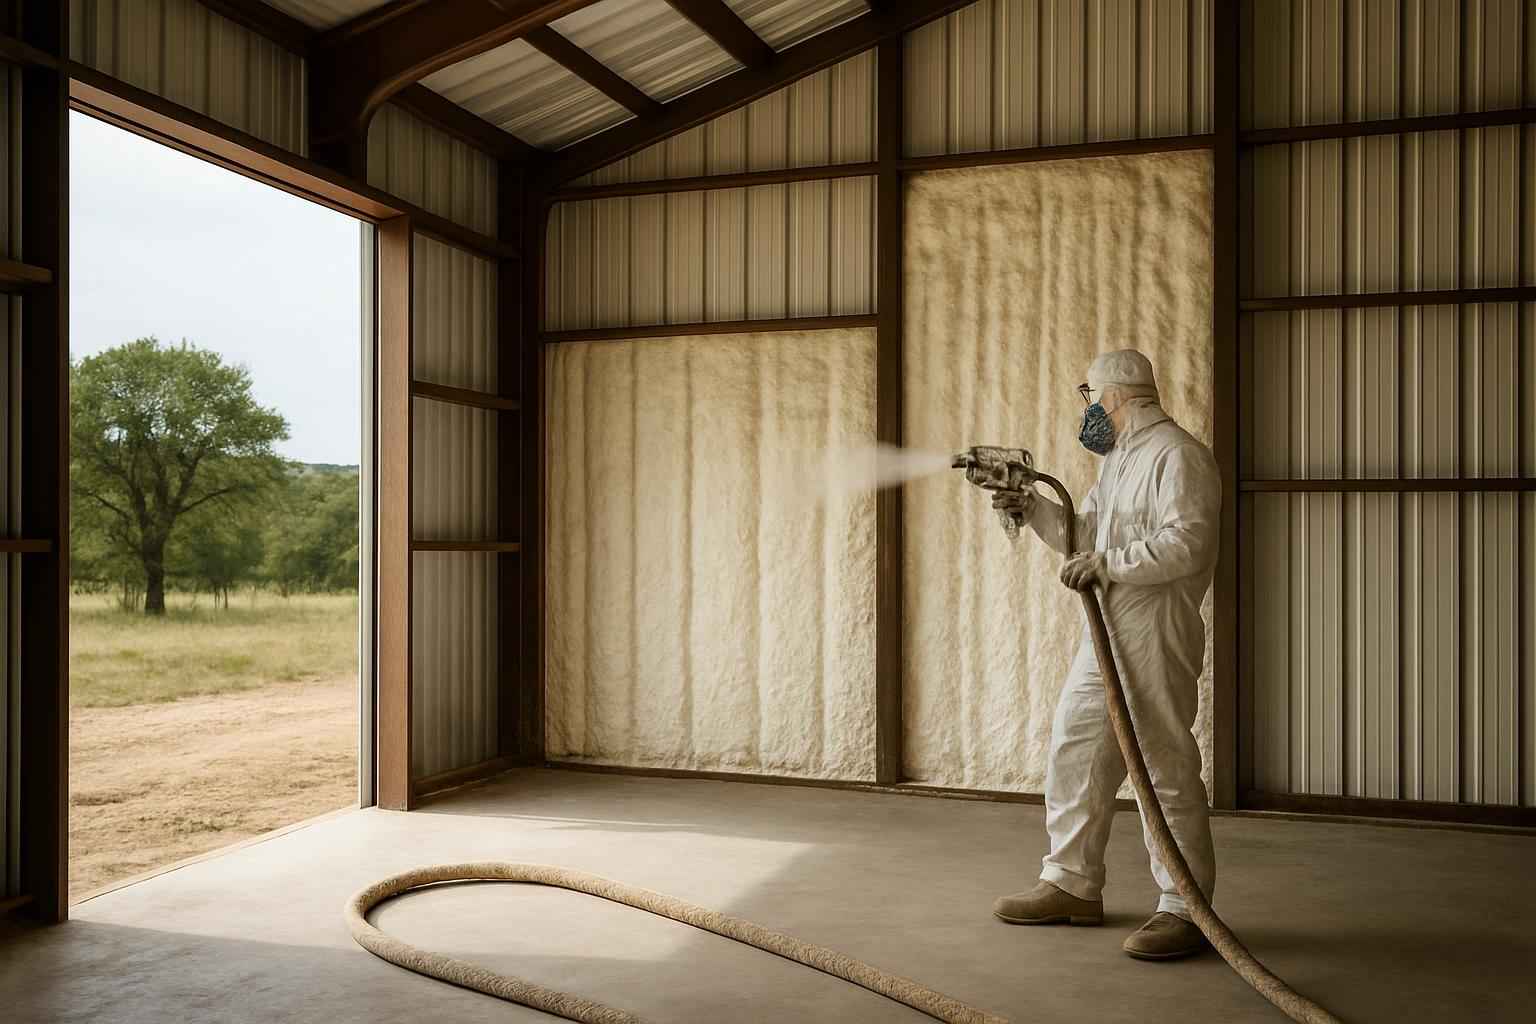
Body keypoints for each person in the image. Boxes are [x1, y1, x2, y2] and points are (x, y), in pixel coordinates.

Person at [988, 349, 1221, 961]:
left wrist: (1110, 565)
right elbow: (1087, 535)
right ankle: (1070, 883)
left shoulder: (1180, 456)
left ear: (1115, 396)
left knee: (1160, 765)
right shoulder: (1118, 463)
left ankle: (1183, 907)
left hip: (1154, 628)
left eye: (1088, 397)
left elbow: (1189, 542)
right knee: (1077, 744)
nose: (1086, 410)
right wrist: (1032, 508)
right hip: (1108, 627)